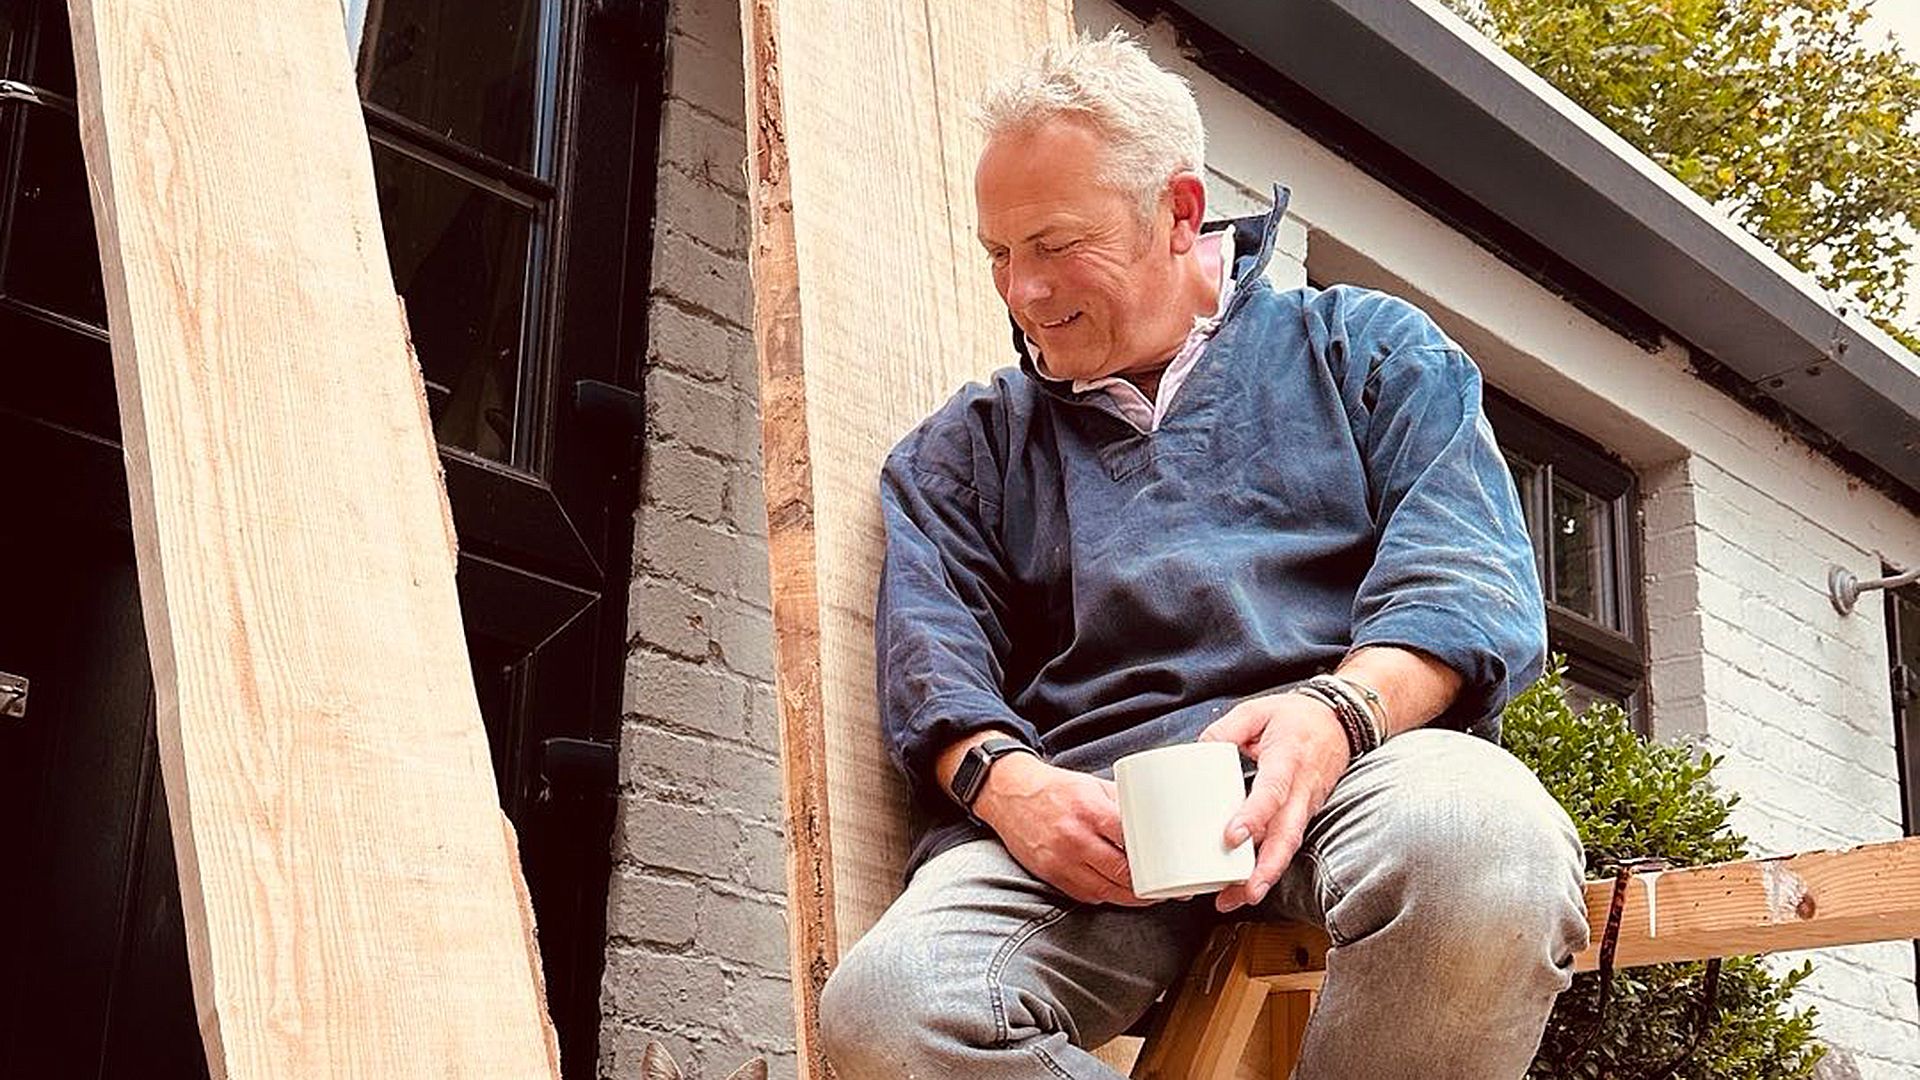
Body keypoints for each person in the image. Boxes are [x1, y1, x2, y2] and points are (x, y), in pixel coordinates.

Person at [817, 29, 1588, 1079]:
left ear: (1180, 211)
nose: (1022, 291)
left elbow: (1467, 578)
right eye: (1000, 252)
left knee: (1486, 849)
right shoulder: (967, 450)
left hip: (1356, 772)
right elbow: (932, 664)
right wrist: (1012, 790)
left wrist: (1339, 713)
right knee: (892, 1011)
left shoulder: (1368, 350)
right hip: (1091, 825)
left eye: (1054, 243)